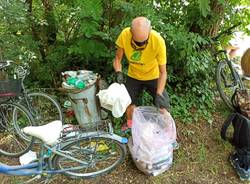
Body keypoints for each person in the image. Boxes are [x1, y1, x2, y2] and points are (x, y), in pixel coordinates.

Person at [113, 16, 170, 131]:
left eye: (143, 42)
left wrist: (159, 94)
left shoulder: (158, 41)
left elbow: (163, 72)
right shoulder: (125, 35)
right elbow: (117, 59)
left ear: (149, 32)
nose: (140, 46)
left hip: (153, 75)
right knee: (127, 101)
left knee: (164, 105)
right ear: (130, 32)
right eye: (136, 42)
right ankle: (130, 124)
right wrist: (118, 72)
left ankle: (169, 133)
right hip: (134, 75)